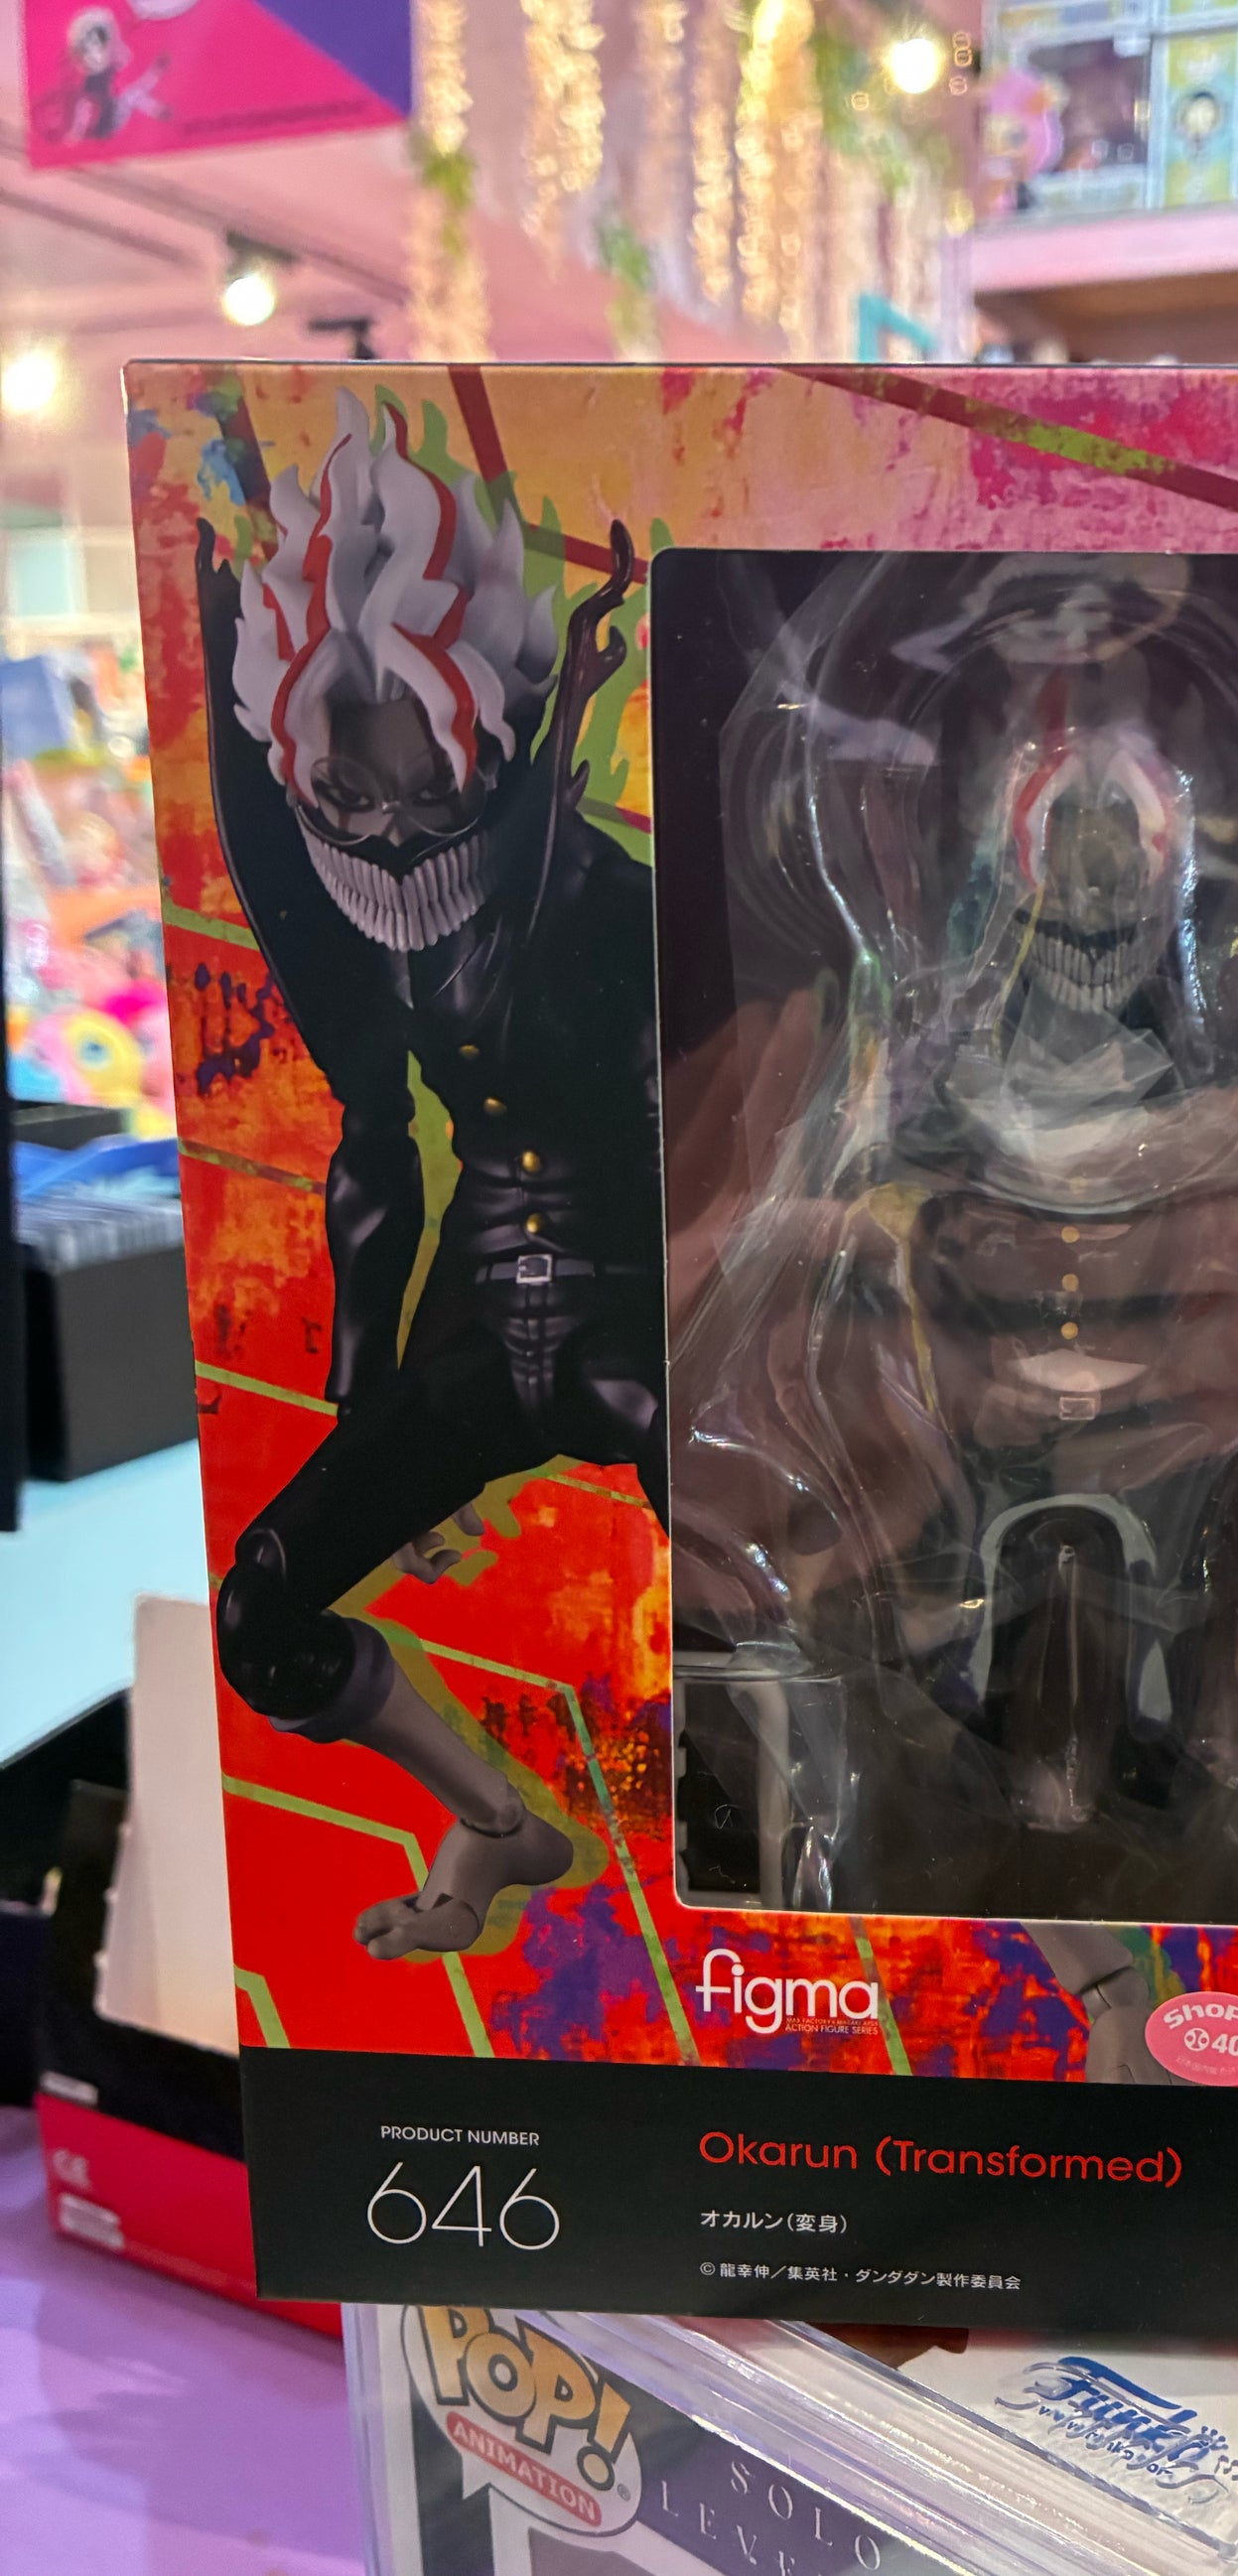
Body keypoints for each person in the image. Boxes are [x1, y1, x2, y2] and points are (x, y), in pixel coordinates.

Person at [196, 391, 664, 1961]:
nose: (393, 842)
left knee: (789, 1597)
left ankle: (1069, 1955)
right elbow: (374, 1148)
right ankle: (496, 1822)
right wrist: (366, 1415)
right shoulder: (363, 923)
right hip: (483, 1324)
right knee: (260, 1619)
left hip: (649, 1322)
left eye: (426, 795)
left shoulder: (615, 907)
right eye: (347, 799)